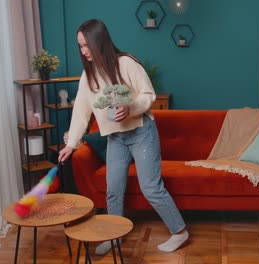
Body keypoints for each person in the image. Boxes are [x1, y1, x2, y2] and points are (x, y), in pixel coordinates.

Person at [58, 19, 188, 254]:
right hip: (115, 139)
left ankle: (179, 231)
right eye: (80, 46)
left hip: (142, 133)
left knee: (151, 188)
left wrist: (130, 107)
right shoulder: (87, 77)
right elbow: (80, 113)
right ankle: (113, 236)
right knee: (113, 189)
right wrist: (71, 144)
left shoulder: (126, 63)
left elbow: (149, 95)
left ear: (100, 42)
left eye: (86, 45)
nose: (83, 51)